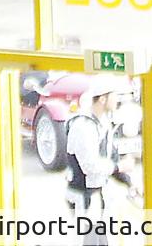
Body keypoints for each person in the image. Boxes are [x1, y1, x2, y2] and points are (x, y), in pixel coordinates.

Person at [66, 80, 128, 245]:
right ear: (102, 99)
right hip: (84, 195)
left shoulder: (103, 122)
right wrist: (117, 167)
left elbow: (111, 157)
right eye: (115, 95)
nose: (118, 100)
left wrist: (128, 181)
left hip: (96, 194)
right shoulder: (83, 126)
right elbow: (90, 165)